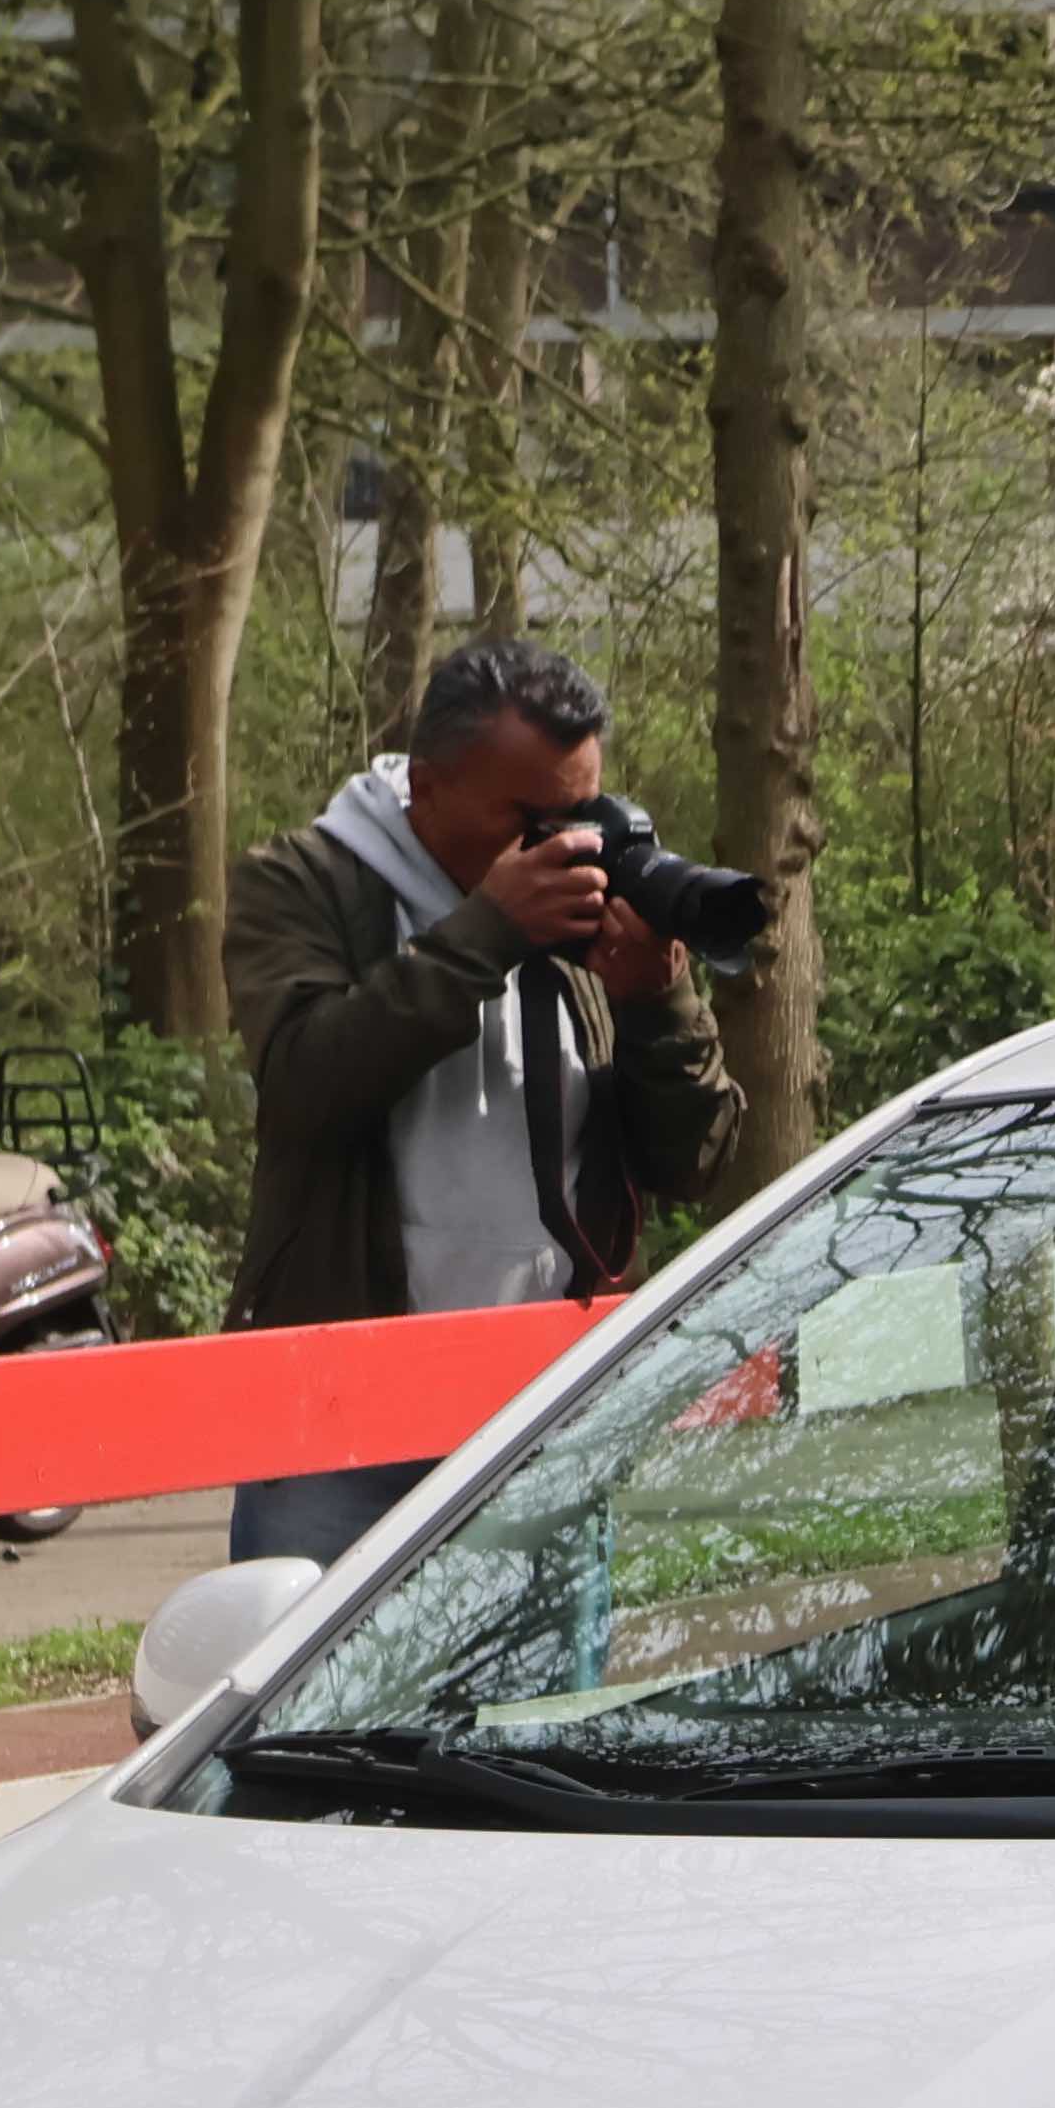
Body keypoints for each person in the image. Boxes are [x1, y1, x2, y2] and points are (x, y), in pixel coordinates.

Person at [220, 637, 743, 1561]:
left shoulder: (585, 906)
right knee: (322, 1707)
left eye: (583, 811)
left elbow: (693, 1164)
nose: (564, 844)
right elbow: (304, 1083)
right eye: (531, 817)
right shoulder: (302, 883)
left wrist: (658, 1002)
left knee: (547, 1706)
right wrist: (487, 932)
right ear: (424, 784)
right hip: (343, 1418)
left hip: (541, 1415)